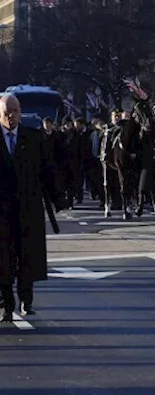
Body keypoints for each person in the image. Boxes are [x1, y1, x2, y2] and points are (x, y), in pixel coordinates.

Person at [0, 94, 66, 322]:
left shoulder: (34, 138)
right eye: (7, 111)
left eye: (15, 111)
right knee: (3, 259)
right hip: (2, 212)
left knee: (28, 257)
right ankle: (6, 305)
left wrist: (59, 198)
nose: (11, 116)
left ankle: (27, 301)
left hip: (28, 207)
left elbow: (48, 169)